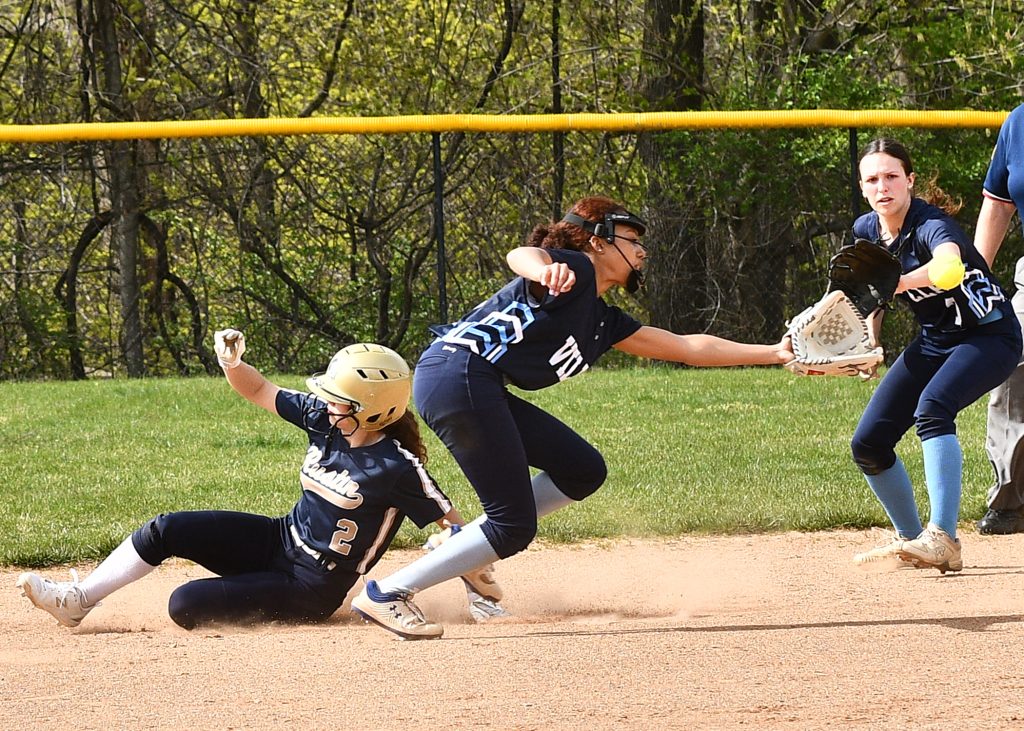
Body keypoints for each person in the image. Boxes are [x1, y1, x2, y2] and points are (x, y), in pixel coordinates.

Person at [348, 195, 794, 640]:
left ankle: (462, 544)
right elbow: (522, 255)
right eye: (632, 239)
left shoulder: (600, 318)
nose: (642, 251)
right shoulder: (575, 271)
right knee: (513, 525)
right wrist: (542, 269)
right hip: (459, 375)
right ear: (597, 241)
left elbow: (687, 347)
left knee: (581, 469)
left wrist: (775, 352)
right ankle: (388, 592)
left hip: (470, 382)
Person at [16, 333, 507, 631]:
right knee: (166, 529)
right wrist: (233, 363)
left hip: (312, 585)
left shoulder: (397, 466)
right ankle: (77, 601)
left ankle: (254, 591)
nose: (328, 402)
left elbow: (454, 529)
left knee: (185, 605)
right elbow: (258, 389)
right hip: (278, 538)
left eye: (341, 399)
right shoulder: (324, 419)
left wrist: (479, 592)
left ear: (374, 408)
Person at [848, 138, 1022, 572]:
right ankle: (912, 542)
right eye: (873, 179)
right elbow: (869, 292)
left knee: (933, 408)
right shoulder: (867, 230)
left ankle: (944, 538)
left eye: (892, 176)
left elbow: (948, 269)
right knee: (868, 444)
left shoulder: (931, 225)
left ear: (910, 181)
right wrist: (871, 339)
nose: (883, 186)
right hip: (937, 338)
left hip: (989, 336)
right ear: (863, 188)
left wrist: (896, 282)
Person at [975, 103, 1024, 535]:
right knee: (1011, 372)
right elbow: (998, 205)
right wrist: (974, 280)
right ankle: (1009, 501)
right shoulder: (1019, 122)